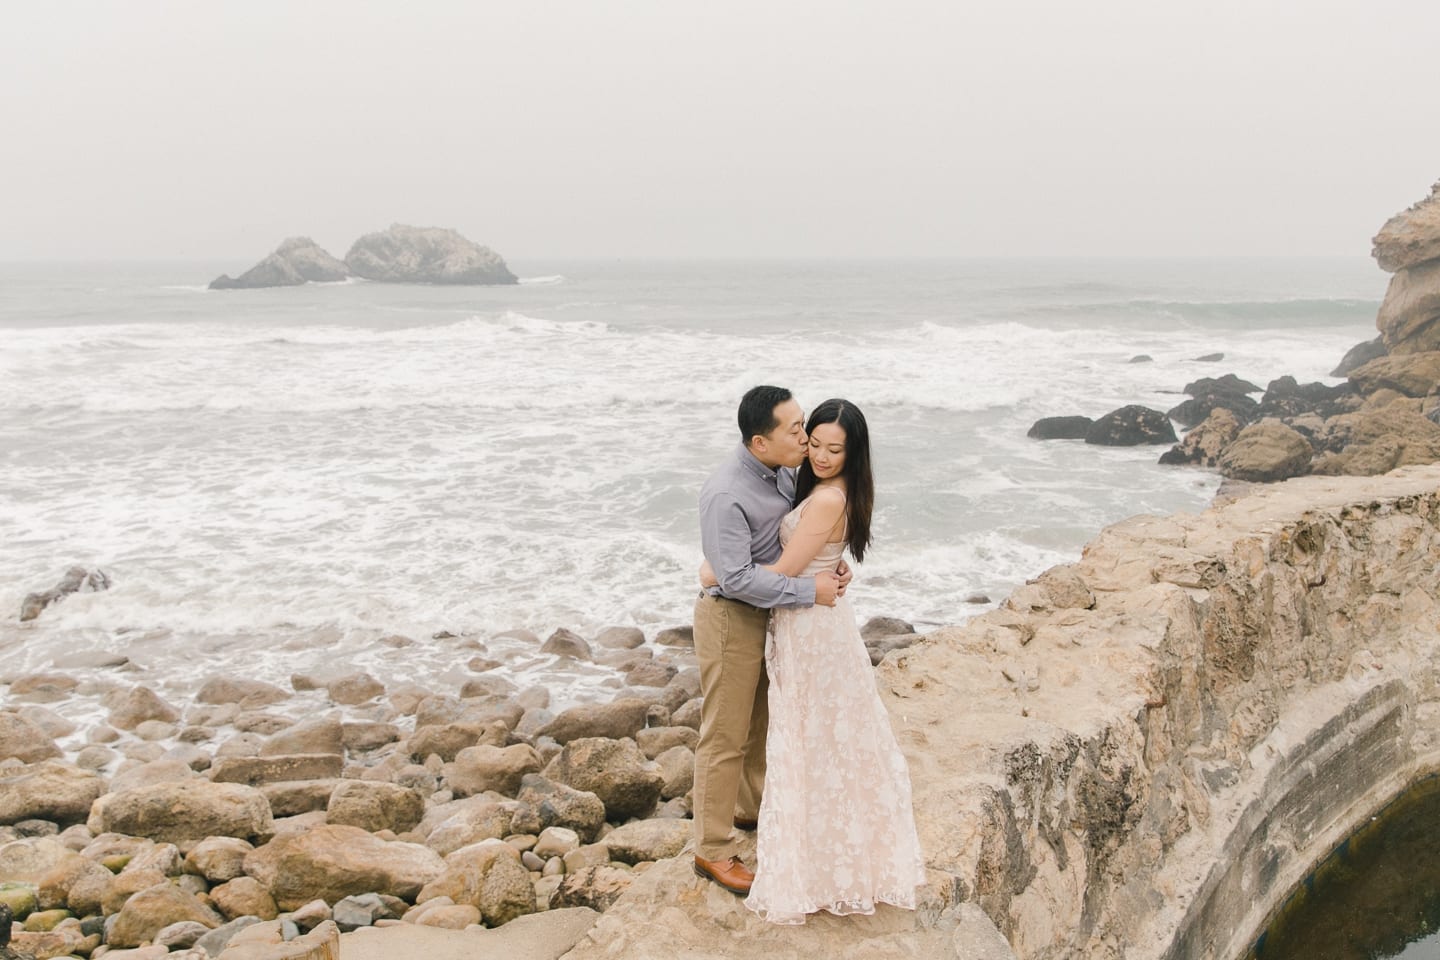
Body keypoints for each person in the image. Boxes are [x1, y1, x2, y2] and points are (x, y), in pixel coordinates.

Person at [703, 398, 926, 924]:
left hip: (808, 626)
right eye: (810, 439)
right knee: (796, 731)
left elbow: (783, 566)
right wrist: (827, 565)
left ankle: (813, 844)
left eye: (832, 448)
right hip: (803, 618)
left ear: (853, 453)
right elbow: (803, 550)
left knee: (809, 732)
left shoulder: (822, 495)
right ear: (771, 441)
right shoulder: (786, 481)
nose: (817, 453)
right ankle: (740, 832)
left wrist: (717, 572)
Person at [692, 385, 847, 895]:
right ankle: (712, 851)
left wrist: (826, 561)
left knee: (760, 723)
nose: (806, 437)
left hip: (772, 613)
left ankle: (751, 810)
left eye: (803, 423)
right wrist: (810, 589)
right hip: (731, 618)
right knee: (725, 735)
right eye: (796, 429)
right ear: (761, 442)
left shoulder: (784, 471)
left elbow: (789, 535)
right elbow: (734, 580)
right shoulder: (726, 492)